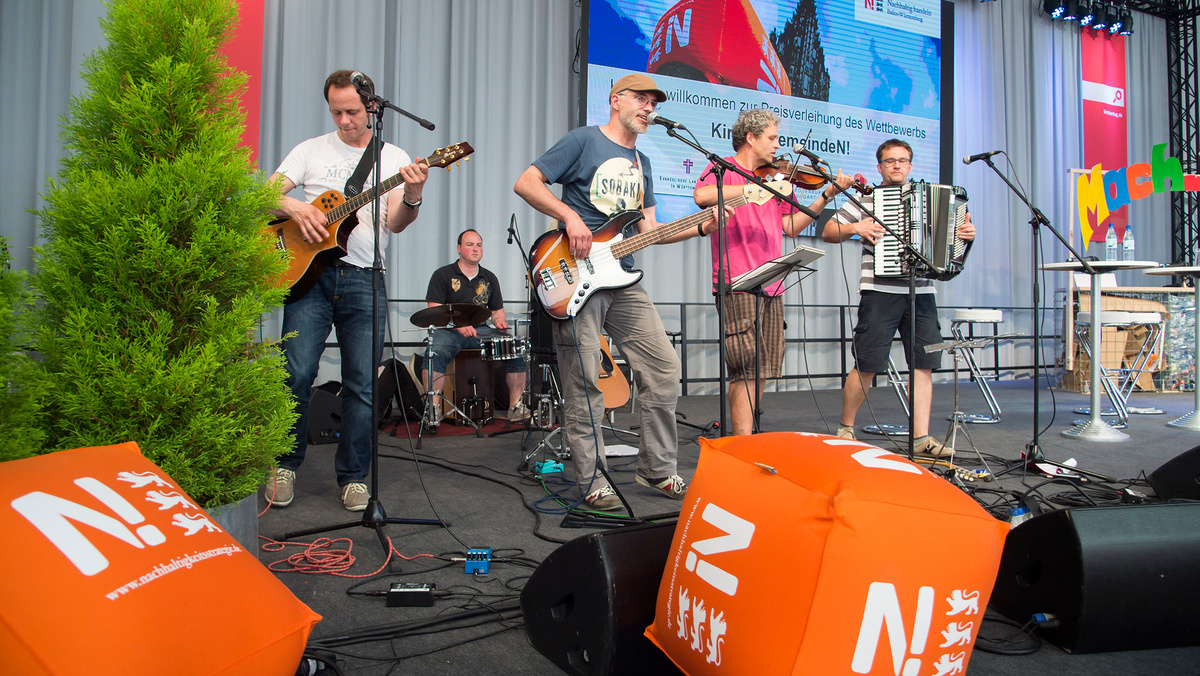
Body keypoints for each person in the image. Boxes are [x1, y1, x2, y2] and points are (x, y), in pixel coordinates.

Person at [513, 73, 719, 511]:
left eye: (653, 103)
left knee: (663, 368)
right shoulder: (583, 141)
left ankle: (658, 469)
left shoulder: (641, 164)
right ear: (615, 100)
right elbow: (527, 182)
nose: (648, 108)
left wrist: (701, 226)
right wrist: (569, 216)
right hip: (576, 275)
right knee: (585, 380)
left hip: (622, 275)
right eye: (641, 100)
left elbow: (650, 232)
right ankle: (593, 480)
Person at [265, 70, 429, 511]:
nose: (344, 120)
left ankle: (354, 476)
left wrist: (411, 195)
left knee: (361, 384)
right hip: (308, 278)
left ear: (370, 107)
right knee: (296, 374)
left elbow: (396, 222)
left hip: (363, 277)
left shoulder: (393, 155)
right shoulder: (309, 150)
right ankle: (284, 465)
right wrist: (297, 207)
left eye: (352, 112)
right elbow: (266, 194)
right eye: (336, 111)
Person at [694, 109, 851, 436]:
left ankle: (747, 433)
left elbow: (791, 226)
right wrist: (753, 189)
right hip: (738, 283)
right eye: (772, 138)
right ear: (750, 138)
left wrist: (825, 196)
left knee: (763, 368)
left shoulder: (779, 180)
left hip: (772, 283)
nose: (778, 145)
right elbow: (703, 195)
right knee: (743, 366)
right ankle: (742, 443)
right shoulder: (724, 168)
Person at [822, 138, 975, 456]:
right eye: (890, 160)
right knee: (867, 363)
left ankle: (921, 439)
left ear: (910, 165)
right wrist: (857, 227)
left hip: (922, 292)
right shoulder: (867, 198)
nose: (896, 165)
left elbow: (951, 249)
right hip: (879, 291)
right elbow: (829, 231)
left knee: (923, 365)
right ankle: (845, 429)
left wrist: (964, 237)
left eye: (902, 160)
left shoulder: (935, 198)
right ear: (880, 166)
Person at [422, 229, 529, 425]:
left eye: (479, 245)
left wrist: (499, 322)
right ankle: (433, 409)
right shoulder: (443, 275)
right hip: (449, 331)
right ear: (459, 248)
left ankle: (516, 406)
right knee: (434, 351)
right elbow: (434, 311)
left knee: (515, 348)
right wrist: (458, 325)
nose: (475, 249)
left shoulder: (489, 278)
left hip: (481, 331)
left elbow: (497, 310)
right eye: (470, 244)